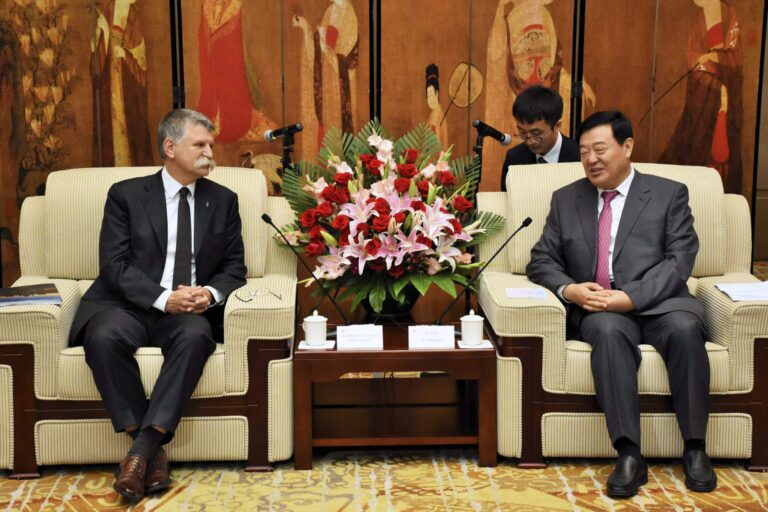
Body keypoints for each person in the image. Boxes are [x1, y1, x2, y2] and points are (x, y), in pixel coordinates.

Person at [526, 111, 716, 498]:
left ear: (627, 147)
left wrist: (632, 297)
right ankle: (629, 453)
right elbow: (541, 260)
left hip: (662, 303)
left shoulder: (669, 193)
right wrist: (571, 290)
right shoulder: (566, 199)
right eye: (584, 152)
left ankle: (695, 447)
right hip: (599, 306)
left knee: (684, 330)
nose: (591, 159)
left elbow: (680, 259)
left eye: (600, 149)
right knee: (608, 334)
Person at [69, 109, 247, 501]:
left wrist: (208, 294)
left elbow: (235, 270)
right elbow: (114, 265)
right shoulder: (126, 195)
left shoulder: (223, 201)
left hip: (188, 313)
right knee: (102, 337)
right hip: (127, 305)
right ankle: (150, 450)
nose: (209, 152)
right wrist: (164, 298)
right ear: (170, 147)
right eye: (199, 144)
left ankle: (139, 454)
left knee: (197, 337)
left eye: (211, 145)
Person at [500, 85, 580, 191]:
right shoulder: (514, 158)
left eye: (536, 133)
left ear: (557, 126)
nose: (529, 141)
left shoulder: (578, 157)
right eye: (522, 132)